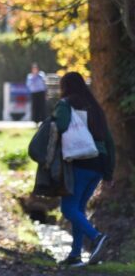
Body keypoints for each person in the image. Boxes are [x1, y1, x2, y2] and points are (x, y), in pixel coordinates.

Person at [54, 72, 115, 267]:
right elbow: (109, 142)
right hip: (99, 165)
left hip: (80, 162)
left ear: (65, 87)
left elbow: (60, 127)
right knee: (78, 209)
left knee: (68, 208)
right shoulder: (96, 108)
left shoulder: (66, 105)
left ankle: (96, 237)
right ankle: (75, 255)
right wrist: (108, 173)